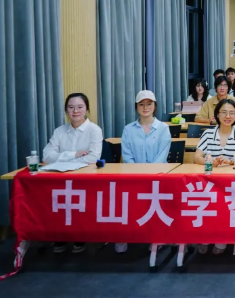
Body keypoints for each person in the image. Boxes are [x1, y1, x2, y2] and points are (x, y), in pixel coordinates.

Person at [44, 93, 103, 254]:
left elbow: (93, 158)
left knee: (79, 200)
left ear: (87, 109)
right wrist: (74, 154)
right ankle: (60, 235)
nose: (75, 111)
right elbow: (47, 156)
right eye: (71, 107)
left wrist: (62, 159)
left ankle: (79, 236)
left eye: (80, 107)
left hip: (85, 178)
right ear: (66, 110)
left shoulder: (94, 130)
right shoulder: (60, 131)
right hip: (60, 178)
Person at [116, 90, 172, 254]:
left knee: (157, 199)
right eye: (141, 104)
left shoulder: (163, 128)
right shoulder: (128, 129)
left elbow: (162, 156)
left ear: (155, 106)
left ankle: (156, 237)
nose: (145, 107)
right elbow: (127, 156)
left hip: (159, 176)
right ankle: (124, 235)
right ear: (136, 107)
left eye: (149, 104)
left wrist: (149, 177)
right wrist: (138, 176)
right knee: (122, 199)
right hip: (134, 176)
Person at [194, 98, 235, 255]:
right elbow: (197, 157)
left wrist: (230, 161)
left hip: (232, 183)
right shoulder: (208, 134)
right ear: (217, 115)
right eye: (224, 112)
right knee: (206, 203)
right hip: (210, 181)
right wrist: (210, 162)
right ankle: (205, 236)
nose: (228, 116)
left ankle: (222, 238)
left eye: (232, 113)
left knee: (227, 204)